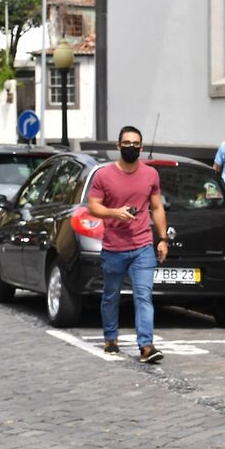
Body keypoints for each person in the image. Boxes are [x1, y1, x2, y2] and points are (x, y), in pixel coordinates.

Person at [87, 126, 169, 364]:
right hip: (113, 247)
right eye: (126, 143)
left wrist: (162, 239)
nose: (131, 147)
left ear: (141, 148)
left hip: (143, 246)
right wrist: (115, 212)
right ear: (118, 145)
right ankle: (110, 338)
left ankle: (146, 346)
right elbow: (93, 206)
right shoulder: (104, 175)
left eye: (135, 144)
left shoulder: (151, 175)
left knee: (143, 296)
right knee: (111, 295)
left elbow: (157, 207)